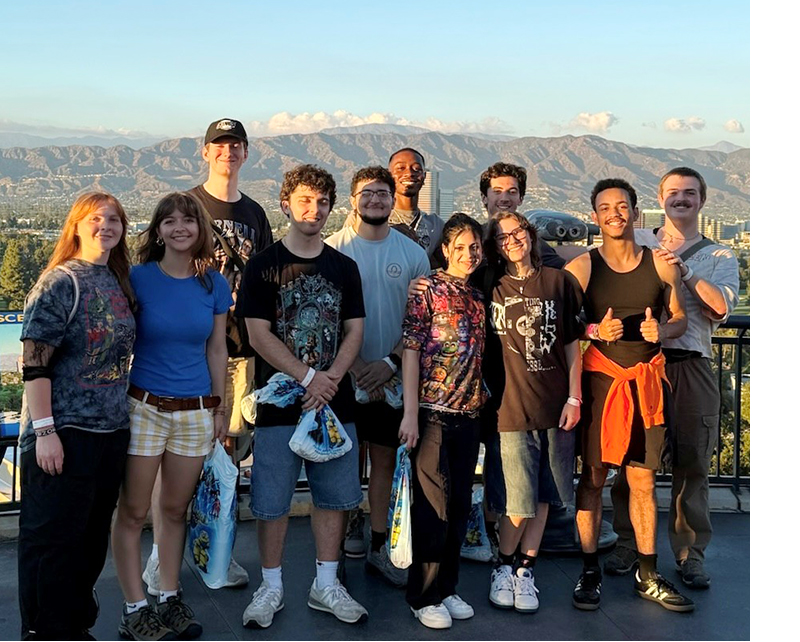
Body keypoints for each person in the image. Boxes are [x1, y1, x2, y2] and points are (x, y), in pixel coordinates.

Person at [236, 164, 368, 629]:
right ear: (286, 204)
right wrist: (310, 376)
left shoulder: (344, 267)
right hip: (279, 404)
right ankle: (270, 586)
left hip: (335, 399)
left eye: (323, 202)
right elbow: (256, 333)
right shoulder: (263, 266)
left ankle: (325, 584)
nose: (314, 210)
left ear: (332, 208)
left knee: (334, 497)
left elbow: (355, 330)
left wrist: (329, 378)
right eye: (305, 200)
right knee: (271, 502)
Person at [143, 118, 271, 595]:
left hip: (237, 353)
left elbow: (259, 279)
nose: (228, 152)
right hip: (186, 354)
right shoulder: (188, 207)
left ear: (245, 153)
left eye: (235, 145)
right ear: (205, 152)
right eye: (219, 145)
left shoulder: (255, 213)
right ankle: (161, 557)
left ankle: (217, 548)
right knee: (172, 461)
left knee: (226, 456)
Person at [604, 167, 739, 588]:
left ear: (702, 200)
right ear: (659, 199)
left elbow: (721, 310)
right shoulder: (640, 241)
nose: (681, 199)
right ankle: (628, 542)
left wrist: (684, 271)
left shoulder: (720, 255)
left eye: (689, 193)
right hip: (641, 363)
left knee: (692, 461)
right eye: (673, 193)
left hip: (690, 364)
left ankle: (689, 552)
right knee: (633, 459)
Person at [564, 178, 693, 613]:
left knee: (642, 481)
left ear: (636, 214)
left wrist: (665, 330)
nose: (615, 213)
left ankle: (648, 572)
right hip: (601, 385)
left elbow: (679, 318)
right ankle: (589, 569)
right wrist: (595, 330)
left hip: (647, 386)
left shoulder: (660, 266)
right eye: (605, 207)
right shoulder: (583, 267)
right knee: (593, 479)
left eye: (622, 206)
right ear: (596, 217)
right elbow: (562, 325)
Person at [111, 193, 232, 640]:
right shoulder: (137, 278)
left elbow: (216, 349)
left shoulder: (213, 284)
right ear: (157, 230)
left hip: (195, 412)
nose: (179, 227)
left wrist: (219, 407)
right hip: (144, 408)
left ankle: (168, 596)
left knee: (175, 510)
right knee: (133, 511)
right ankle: (133, 607)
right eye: (169, 221)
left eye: (188, 220)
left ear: (200, 228)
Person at [17, 192, 136, 640]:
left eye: (114, 219)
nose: (105, 225)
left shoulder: (118, 281)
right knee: (51, 543)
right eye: (96, 218)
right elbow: (34, 361)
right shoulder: (59, 282)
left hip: (109, 433)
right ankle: (44, 631)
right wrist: (45, 431)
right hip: (63, 432)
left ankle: (75, 627)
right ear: (76, 225)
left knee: (87, 543)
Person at [326, 166, 430, 583]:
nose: (374, 200)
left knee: (385, 462)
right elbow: (325, 321)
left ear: (393, 201)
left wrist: (388, 362)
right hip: (339, 378)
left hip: (393, 379)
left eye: (382, 194)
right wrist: (352, 366)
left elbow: (422, 322)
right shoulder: (332, 250)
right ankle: (334, 548)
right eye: (366, 193)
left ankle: (378, 542)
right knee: (344, 464)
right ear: (353, 200)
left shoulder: (412, 255)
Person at [480, 212, 583, 613]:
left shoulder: (560, 283)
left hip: (555, 406)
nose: (512, 240)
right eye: (502, 236)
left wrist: (574, 398)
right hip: (509, 407)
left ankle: (526, 569)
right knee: (517, 499)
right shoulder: (490, 284)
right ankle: (503, 565)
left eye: (517, 232)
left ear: (530, 235)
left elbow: (574, 345)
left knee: (543, 495)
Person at [399, 213, 487, 630]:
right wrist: (411, 414)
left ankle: (447, 588)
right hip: (432, 414)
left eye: (475, 247)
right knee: (432, 508)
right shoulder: (428, 290)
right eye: (461, 247)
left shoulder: (477, 295)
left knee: (458, 505)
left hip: (468, 414)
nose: (469, 254)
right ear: (445, 249)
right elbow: (412, 349)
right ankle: (423, 594)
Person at [343, 148, 445, 267]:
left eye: (417, 169)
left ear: (424, 176)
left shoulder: (435, 225)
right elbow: (346, 257)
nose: (409, 173)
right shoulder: (363, 216)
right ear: (389, 174)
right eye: (401, 168)